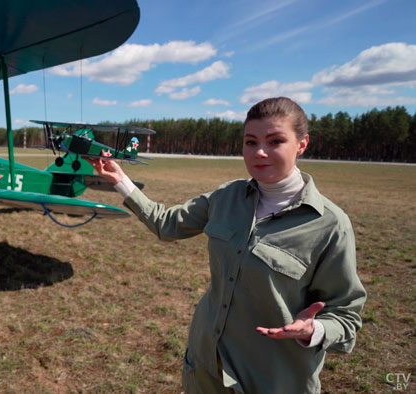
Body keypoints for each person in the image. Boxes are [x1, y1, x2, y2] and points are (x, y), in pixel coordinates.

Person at [86, 97, 366, 393]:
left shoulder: (331, 225)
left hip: (270, 380)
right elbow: (167, 224)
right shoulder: (226, 197)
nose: (260, 152)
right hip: (205, 366)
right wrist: (120, 180)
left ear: (302, 144)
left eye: (275, 141)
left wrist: (315, 330)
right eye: (250, 142)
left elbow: (346, 316)